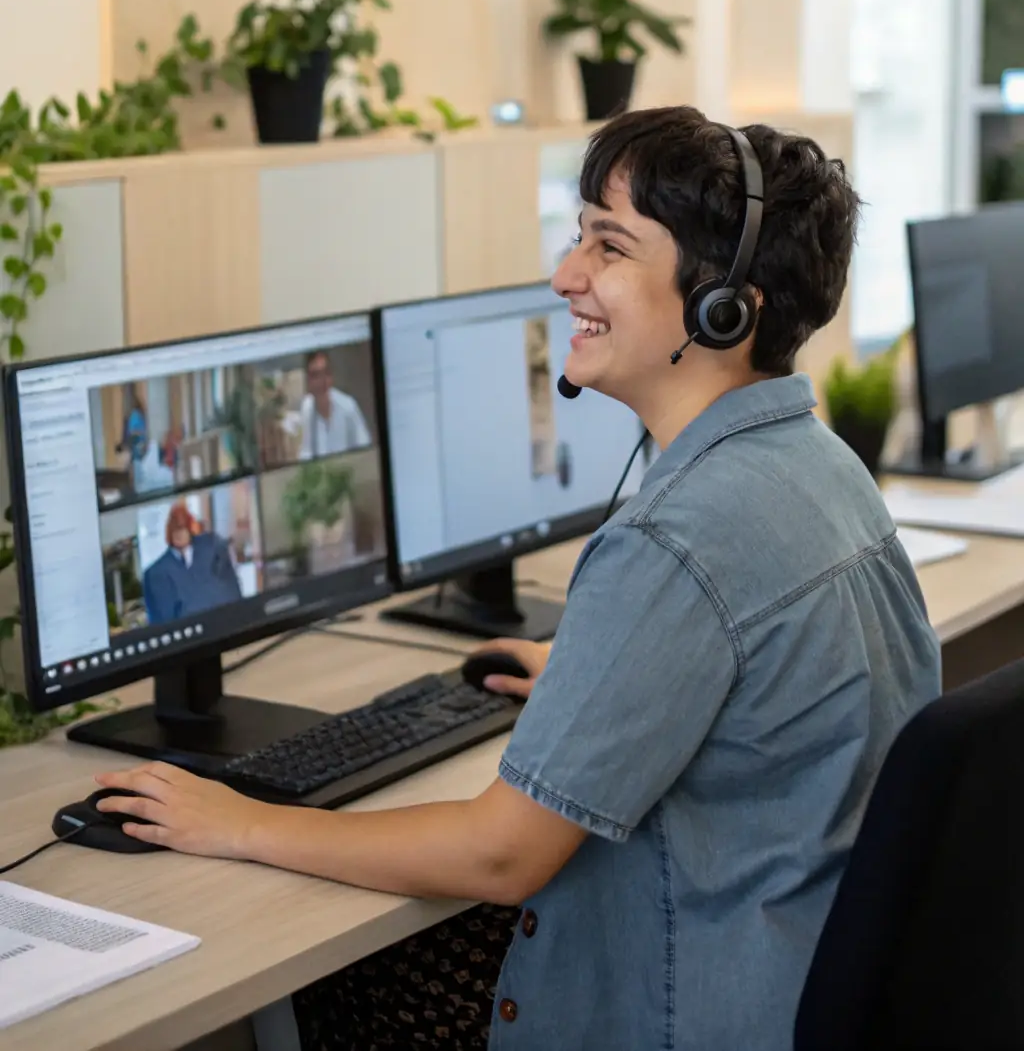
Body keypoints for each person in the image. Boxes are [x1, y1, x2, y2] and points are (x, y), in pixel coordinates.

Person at [95, 107, 941, 1051]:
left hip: (684, 1014)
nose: (565, 273)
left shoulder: (673, 537)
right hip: (797, 986)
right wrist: (597, 672)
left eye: (610, 246)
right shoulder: (823, 468)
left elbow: (501, 853)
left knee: (324, 990)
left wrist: (242, 821)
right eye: (578, 235)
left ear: (723, 308)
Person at [142, 502, 243, 625]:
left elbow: (232, 594)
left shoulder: (213, 548)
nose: (179, 534)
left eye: (182, 528)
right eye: (175, 529)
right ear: (169, 531)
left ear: (189, 528)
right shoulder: (156, 574)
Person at [297, 351, 371, 459]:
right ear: (308, 381)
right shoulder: (306, 408)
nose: (322, 381)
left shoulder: (348, 406)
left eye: (326, 373)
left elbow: (365, 450)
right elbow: (305, 453)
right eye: (316, 375)